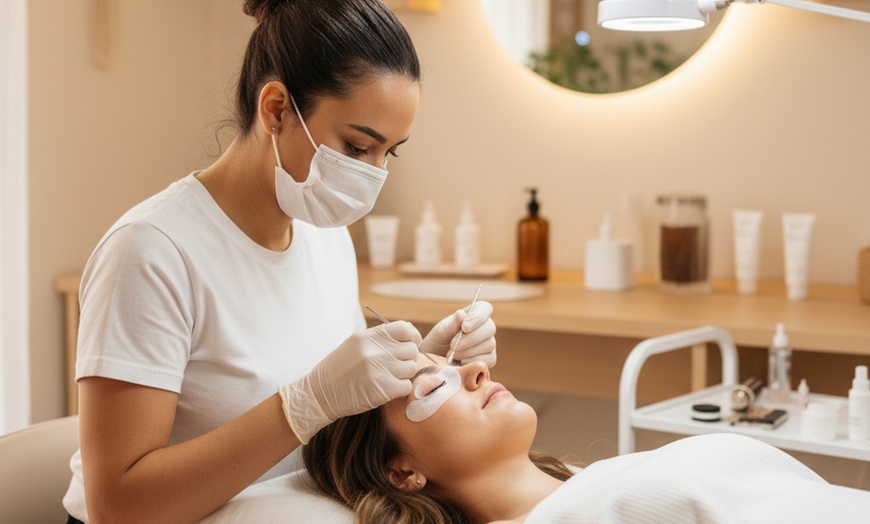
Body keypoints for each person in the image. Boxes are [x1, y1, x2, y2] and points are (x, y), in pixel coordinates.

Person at [63, 1, 497, 522]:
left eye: (391, 153)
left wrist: (418, 371)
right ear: (275, 109)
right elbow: (118, 505)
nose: (374, 176)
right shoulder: (151, 251)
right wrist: (301, 407)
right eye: (359, 148)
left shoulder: (324, 236)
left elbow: (337, 414)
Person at [304, 353, 870, 524]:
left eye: (452, 361)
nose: (475, 371)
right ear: (401, 473)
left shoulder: (590, 487)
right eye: (433, 382)